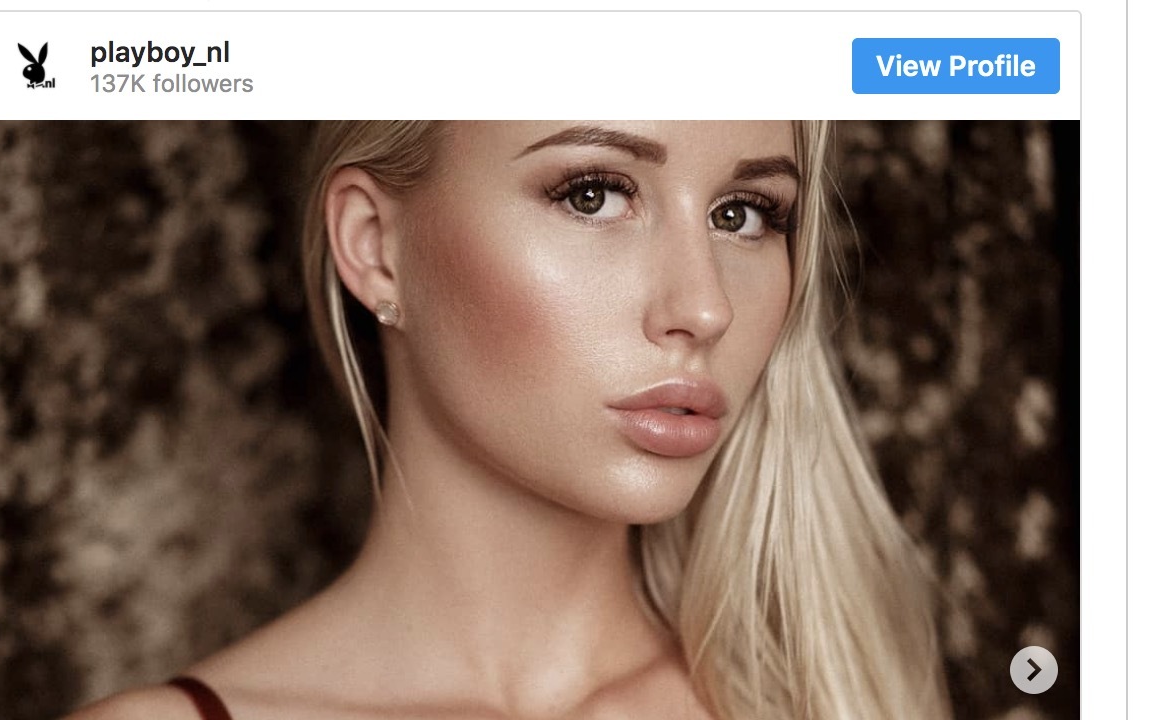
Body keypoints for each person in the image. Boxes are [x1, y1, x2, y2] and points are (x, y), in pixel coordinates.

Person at [66, 121, 950, 719]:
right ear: (375, 247)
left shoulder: (842, 698)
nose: (704, 307)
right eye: (595, 195)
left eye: (743, 214)